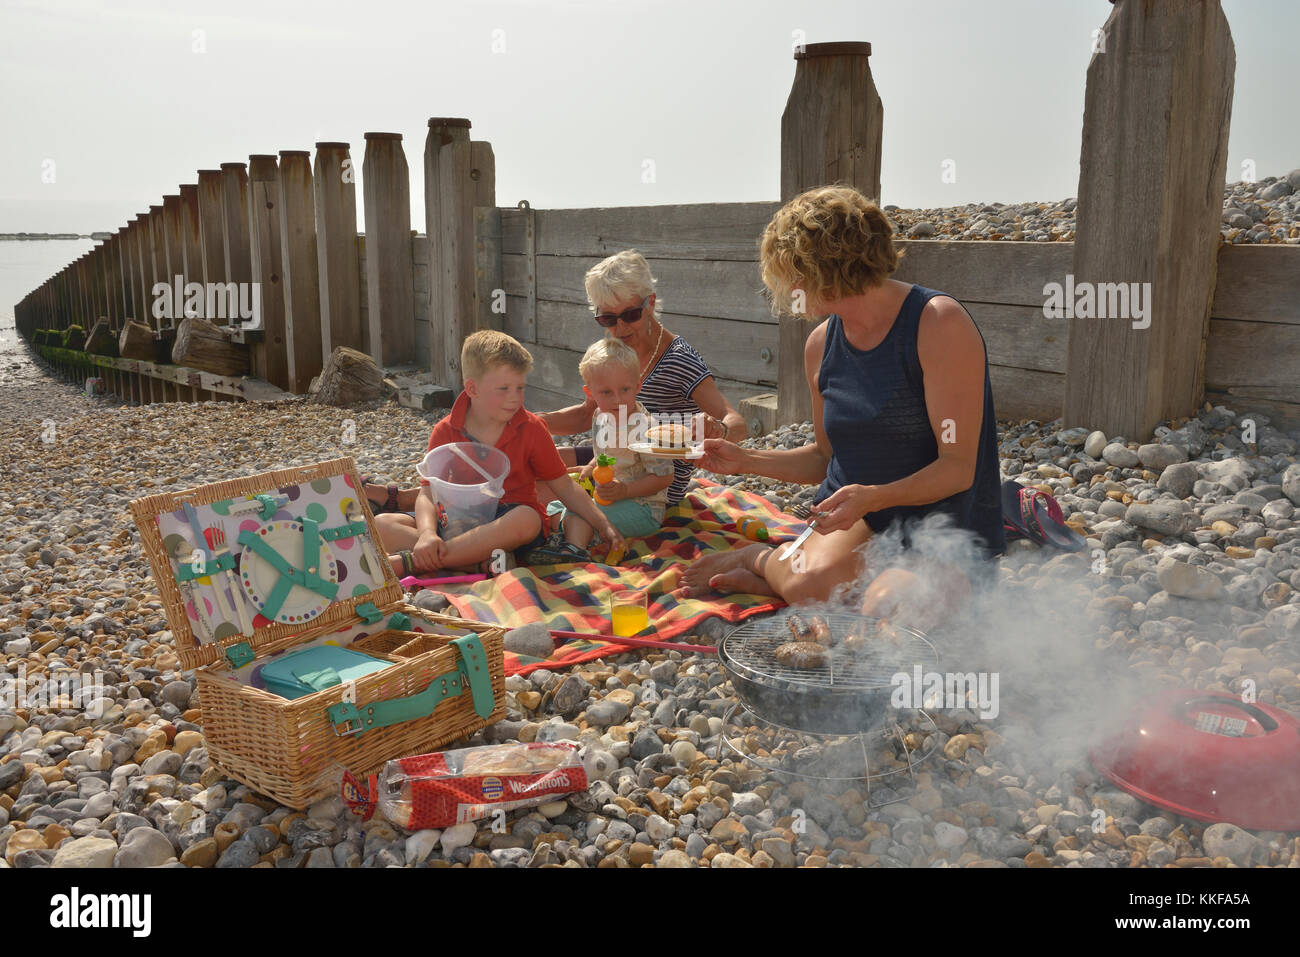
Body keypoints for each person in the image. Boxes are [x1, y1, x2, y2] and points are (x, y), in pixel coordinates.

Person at [680, 185, 1005, 622]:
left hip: (943, 521)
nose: (788, 290)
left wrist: (874, 497)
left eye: (791, 274)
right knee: (809, 587)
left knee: (890, 609)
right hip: (857, 518)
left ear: (821, 271)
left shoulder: (937, 323)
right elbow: (824, 458)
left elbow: (958, 466)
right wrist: (746, 460)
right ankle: (765, 560)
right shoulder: (820, 344)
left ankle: (777, 570)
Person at [375, 330, 623, 575]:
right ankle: (468, 562)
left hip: (510, 522)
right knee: (382, 525)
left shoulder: (532, 428)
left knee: (527, 518)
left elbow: (565, 487)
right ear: (472, 389)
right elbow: (428, 492)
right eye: (504, 388)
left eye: (520, 388)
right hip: (458, 521)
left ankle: (415, 562)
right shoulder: (446, 430)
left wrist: (603, 524)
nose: (515, 398)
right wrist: (428, 534)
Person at [536, 250, 747, 510]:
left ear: (651, 304)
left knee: (537, 490)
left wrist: (718, 428)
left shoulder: (679, 360)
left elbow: (736, 423)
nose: (620, 328)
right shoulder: (617, 353)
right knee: (533, 465)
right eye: (608, 319)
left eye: (630, 315)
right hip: (618, 458)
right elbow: (585, 414)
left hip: (652, 484)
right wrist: (530, 422)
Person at [550, 339, 674, 552]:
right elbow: (604, 452)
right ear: (590, 393)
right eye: (606, 392)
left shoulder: (647, 429)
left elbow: (664, 477)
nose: (617, 400)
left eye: (625, 389)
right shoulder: (601, 415)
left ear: (638, 385)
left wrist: (625, 490)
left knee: (580, 511)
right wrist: (591, 466)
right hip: (607, 496)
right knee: (554, 506)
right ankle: (579, 533)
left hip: (642, 508)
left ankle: (573, 549)